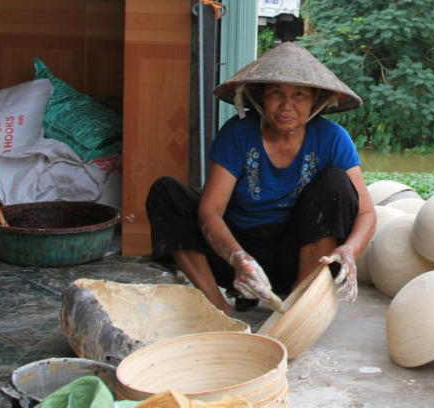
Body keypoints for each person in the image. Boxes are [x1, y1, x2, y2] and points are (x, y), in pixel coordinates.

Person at [146, 42, 376, 314]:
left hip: (298, 256)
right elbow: (211, 210)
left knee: (336, 183)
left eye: (299, 94)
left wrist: (350, 249)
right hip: (237, 255)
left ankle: (299, 302)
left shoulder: (333, 138)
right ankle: (218, 308)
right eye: (276, 92)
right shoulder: (238, 133)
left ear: (315, 99)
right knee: (166, 192)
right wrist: (238, 258)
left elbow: (367, 213)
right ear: (261, 96)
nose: (286, 105)